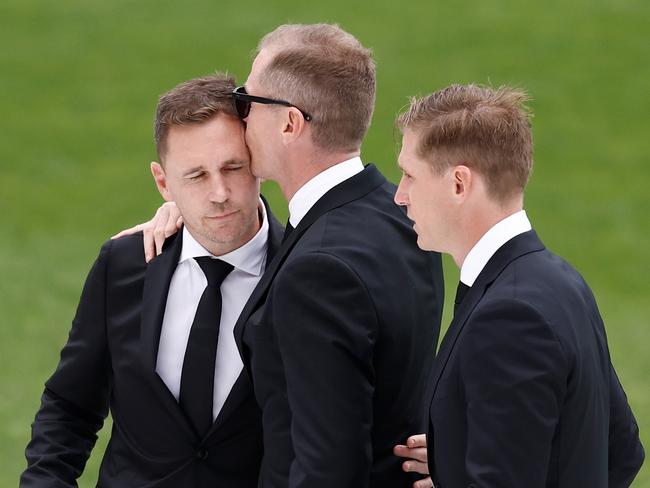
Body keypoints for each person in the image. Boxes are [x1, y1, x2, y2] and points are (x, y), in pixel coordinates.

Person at [133, 23, 444, 487]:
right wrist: (188, 214)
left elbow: (326, 466)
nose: (240, 116)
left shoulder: (318, 271)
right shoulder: (399, 214)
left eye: (247, 101)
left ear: (289, 123)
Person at [20, 74, 284, 487]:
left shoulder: (303, 274)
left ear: (261, 162)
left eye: (234, 167)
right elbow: (69, 407)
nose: (219, 193)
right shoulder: (123, 266)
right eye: (196, 176)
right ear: (163, 182)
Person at [392, 84, 644, 487]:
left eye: (409, 175)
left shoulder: (509, 317)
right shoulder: (561, 281)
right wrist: (453, 458)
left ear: (459, 183)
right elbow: (622, 451)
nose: (399, 196)